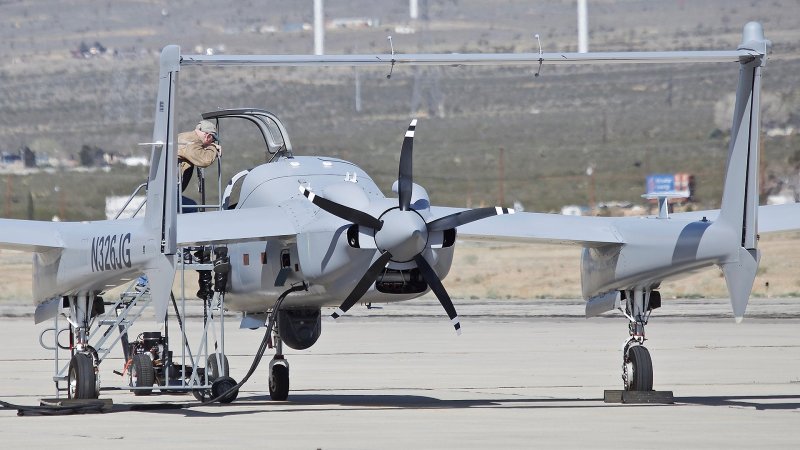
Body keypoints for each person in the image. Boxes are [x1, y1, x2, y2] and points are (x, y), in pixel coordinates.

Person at [177, 120, 222, 193]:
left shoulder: (185, 136)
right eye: (213, 139)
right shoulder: (193, 141)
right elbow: (205, 160)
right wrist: (212, 146)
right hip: (170, 190)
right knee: (191, 203)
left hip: (166, 186)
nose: (213, 141)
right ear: (208, 136)